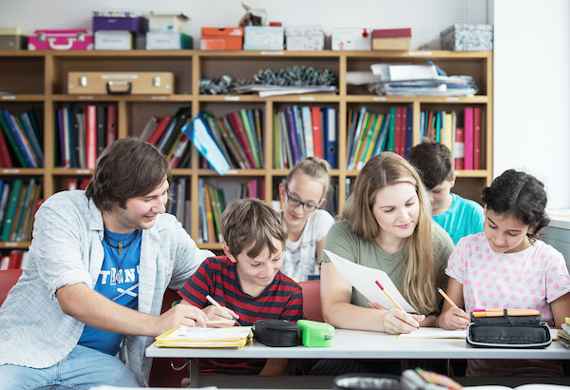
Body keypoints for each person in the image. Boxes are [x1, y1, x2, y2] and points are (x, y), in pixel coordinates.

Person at [0, 138, 210, 388]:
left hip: (96, 362)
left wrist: (213, 307)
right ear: (114, 196)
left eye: (164, 192)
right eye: (148, 198)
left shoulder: (164, 229)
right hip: (30, 350)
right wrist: (158, 324)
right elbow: (73, 298)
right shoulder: (61, 211)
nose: (161, 206)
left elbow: (209, 274)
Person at [438, 169, 570, 376]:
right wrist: (446, 319)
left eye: (512, 233)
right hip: (481, 375)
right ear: (485, 209)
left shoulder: (549, 260)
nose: (499, 240)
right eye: (492, 225)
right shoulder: (467, 249)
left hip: (540, 373)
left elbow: (565, 333)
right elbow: (447, 314)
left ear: (532, 226)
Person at [321, 152, 454, 335]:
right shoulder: (343, 235)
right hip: (358, 353)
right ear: (368, 210)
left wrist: (437, 321)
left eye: (409, 204)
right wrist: (384, 320)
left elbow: (448, 316)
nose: (404, 217)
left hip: (420, 351)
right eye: (389, 210)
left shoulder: (438, 242)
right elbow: (333, 310)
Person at [178, 198, 303, 375]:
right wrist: (201, 318)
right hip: (208, 377)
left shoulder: (291, 294)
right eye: (256, 264)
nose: (268, 271)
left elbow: (279, 362)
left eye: (276, 259)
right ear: (230, 253)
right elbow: (177, 323)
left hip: (262, 382)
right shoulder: (212, 271)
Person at [408, 142, 484, 244]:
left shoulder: (473, 214)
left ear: (452, 179)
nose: (428, 198)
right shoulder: (406, 216)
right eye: (420, 190)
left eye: (437, 191)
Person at [278, 157, 335, 282]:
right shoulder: (268, 223)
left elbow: (328, 277)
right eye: (294, 198)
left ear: (319, 204)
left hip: (308, 297)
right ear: (283, 191)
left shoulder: (321, 221)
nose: (298, 210)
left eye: (309, 205)